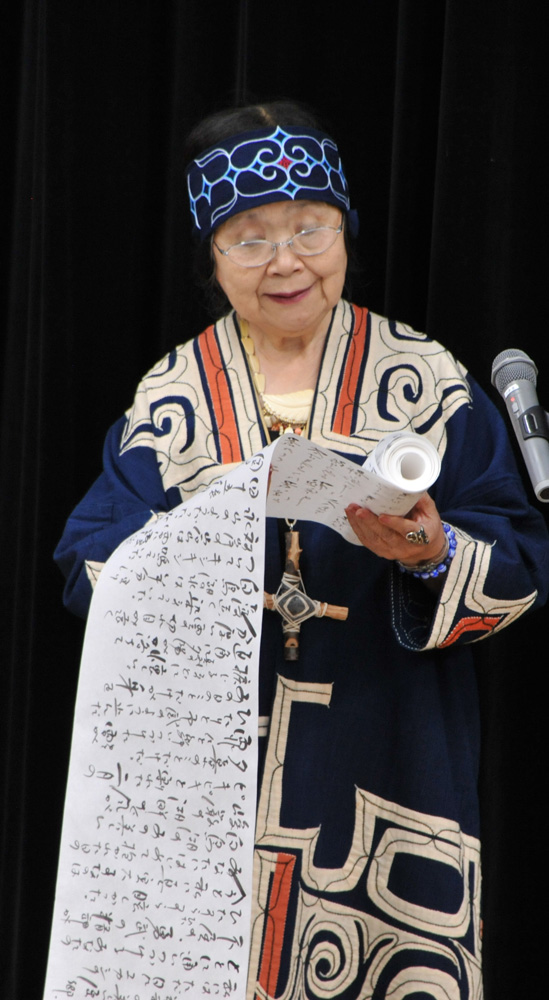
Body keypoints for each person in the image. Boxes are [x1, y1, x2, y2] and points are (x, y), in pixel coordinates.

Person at [55, 101, 549, 999]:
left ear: (344, 231)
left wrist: (431, 551)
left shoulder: (426, 382)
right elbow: (93, 564)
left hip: (389, 764)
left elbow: (517, 557)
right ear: (212, 258)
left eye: (309, 229)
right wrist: (191, 557)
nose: (285, 261)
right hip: (209, 785)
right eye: (249, 239)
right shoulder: (173, 397)